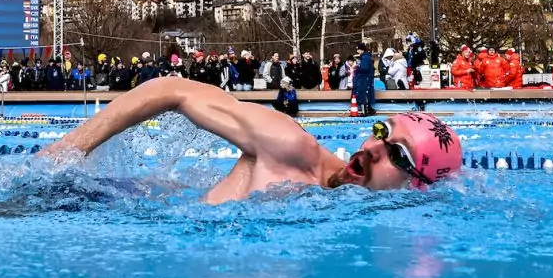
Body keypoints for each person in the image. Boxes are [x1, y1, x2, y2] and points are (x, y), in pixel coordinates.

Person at [43, 77, 462, 204]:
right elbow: (173, 89)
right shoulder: (290, 148)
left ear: (417, 186)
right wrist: (71, 147)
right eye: (381, 133)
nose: (371, 149)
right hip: (85, 202)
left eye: (396, 153)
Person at [352, 43, 376, 116]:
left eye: (358, 49)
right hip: (366, 78)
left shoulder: (365, 57)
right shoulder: (366, 57)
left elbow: (364, 68)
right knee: (365, 94)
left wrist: (357, 68)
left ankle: (366, 111)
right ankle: (369, 109)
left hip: (364, 79)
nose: (357, 51)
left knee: (364, 94)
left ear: (361, 50)